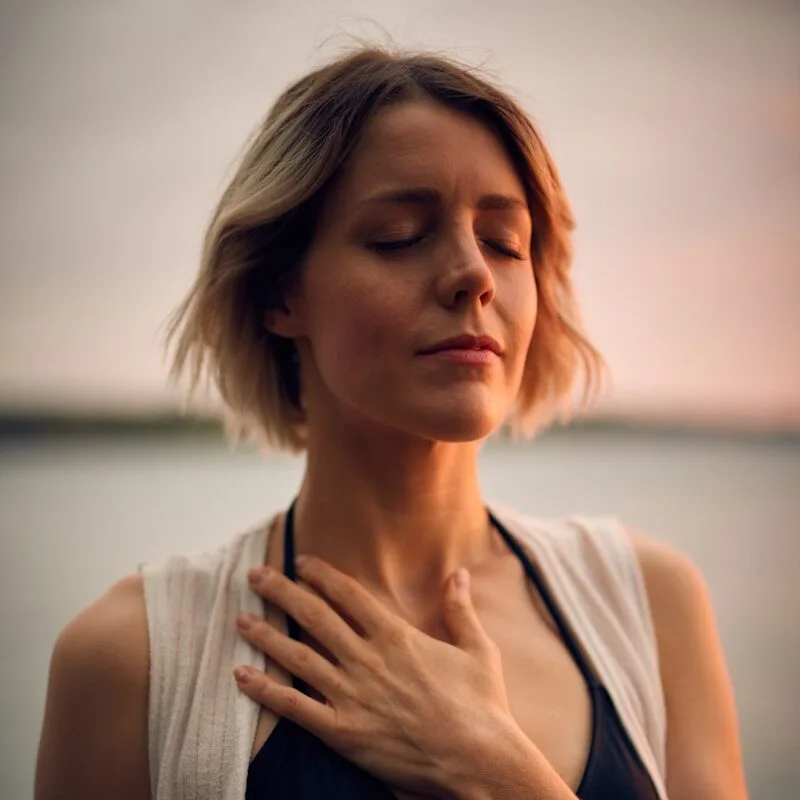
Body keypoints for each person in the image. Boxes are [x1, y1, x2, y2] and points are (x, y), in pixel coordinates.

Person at [35, 45, 748, 800]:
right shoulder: (132, 662)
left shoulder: (648, 602)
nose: (474, 273)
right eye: (399, 236)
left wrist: (494, 771)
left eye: (505, 243)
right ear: (281, 295)